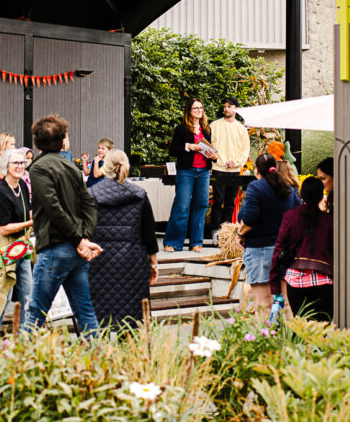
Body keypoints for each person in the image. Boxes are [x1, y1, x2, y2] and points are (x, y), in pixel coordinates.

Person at [24, 115, 102, 335]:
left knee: (35, 313)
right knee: (85, 311)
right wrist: (84, 238)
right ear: (62, 140)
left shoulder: (38, 168)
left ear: (37, 141)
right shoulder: (71, 167)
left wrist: (80, 240)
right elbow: (89, 204)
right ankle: (99, 354)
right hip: (76, 251)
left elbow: (53, 208)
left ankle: (19, 356)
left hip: (54, 247)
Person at [87, 149, 158, 329]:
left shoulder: (91, 194)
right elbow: (149, 232)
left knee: (99, 322)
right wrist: (153, 262)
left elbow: (83, 230)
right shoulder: (139, 194)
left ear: (105, 168)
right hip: (133, 263)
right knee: (131, 324)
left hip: (98, 263)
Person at [0, 148, 33, 342]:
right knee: (0, 299)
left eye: (22, 163)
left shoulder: (23, 186)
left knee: (28, 298)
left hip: (21, 247)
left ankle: (25, 344)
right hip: (5, 249)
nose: (20, 166)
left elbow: (27, 212)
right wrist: (31, 223)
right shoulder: (0, 192)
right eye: (15, 163)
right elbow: (3, 229)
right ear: (6, 166)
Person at [238, 153, 300, 312]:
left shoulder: (256, 187)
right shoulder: (287, 187)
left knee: (263, 302)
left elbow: (249, 218)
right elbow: (298, 213)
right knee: (285, 301)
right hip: (283, 251)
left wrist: (240, 234)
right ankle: (288, 329)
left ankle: (265, 330)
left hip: (260, 250)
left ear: (256, 170)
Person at [269, 176, 333, 320]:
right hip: (324, 281)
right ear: (321, 196)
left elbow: (278, 249)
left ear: (301, 194)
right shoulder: (329, 220)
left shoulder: (290, 217)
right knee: (321, 327)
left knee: (301, 326)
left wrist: (274, 285)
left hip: (295, 281)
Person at [164, 97, 216, 252]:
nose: (199, 110)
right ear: (189, 111)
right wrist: (188, 146)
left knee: (201, 205)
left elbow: (209, 149)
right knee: (182, 205)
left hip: (203, 171)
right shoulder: (181, 129)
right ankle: (173, 243)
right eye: (196, 108)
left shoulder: (206, 129)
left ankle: (196, 243)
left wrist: (213, 157)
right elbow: (173, 150)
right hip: (187, 171)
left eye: (201, 108)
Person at [208, 98, 251, 237]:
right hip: (218, 168)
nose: (226, 109)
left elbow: (245, 150)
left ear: (236, 109)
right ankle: (215, 232)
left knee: (230, 203)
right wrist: (214, 158)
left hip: (235, 170)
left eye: (229, 106)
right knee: (217, 201)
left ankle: (226, 233)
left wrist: (236, 162)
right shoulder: (214, 125)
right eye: (225, 106)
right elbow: (208, 146)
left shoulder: (241, 129)